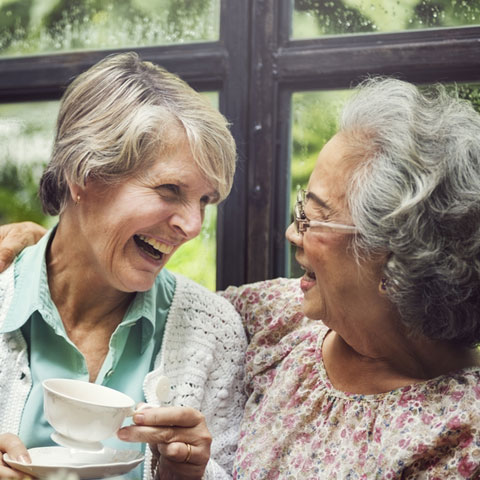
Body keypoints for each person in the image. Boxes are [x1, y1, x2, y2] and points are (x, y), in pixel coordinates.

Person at [4, 77, 480, 479]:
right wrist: (35, 246)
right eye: (170, 190)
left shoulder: (457, 436)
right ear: (83, 174)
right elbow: (73, 260)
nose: (292, 232)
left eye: (313, 218)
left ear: (395, 262)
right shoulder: (282, 320)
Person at [0, 52, 247, 480]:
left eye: (205, 201)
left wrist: (189, 475)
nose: (191, 226)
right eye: (170, 189)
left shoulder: (212, 330)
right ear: (84, 174)